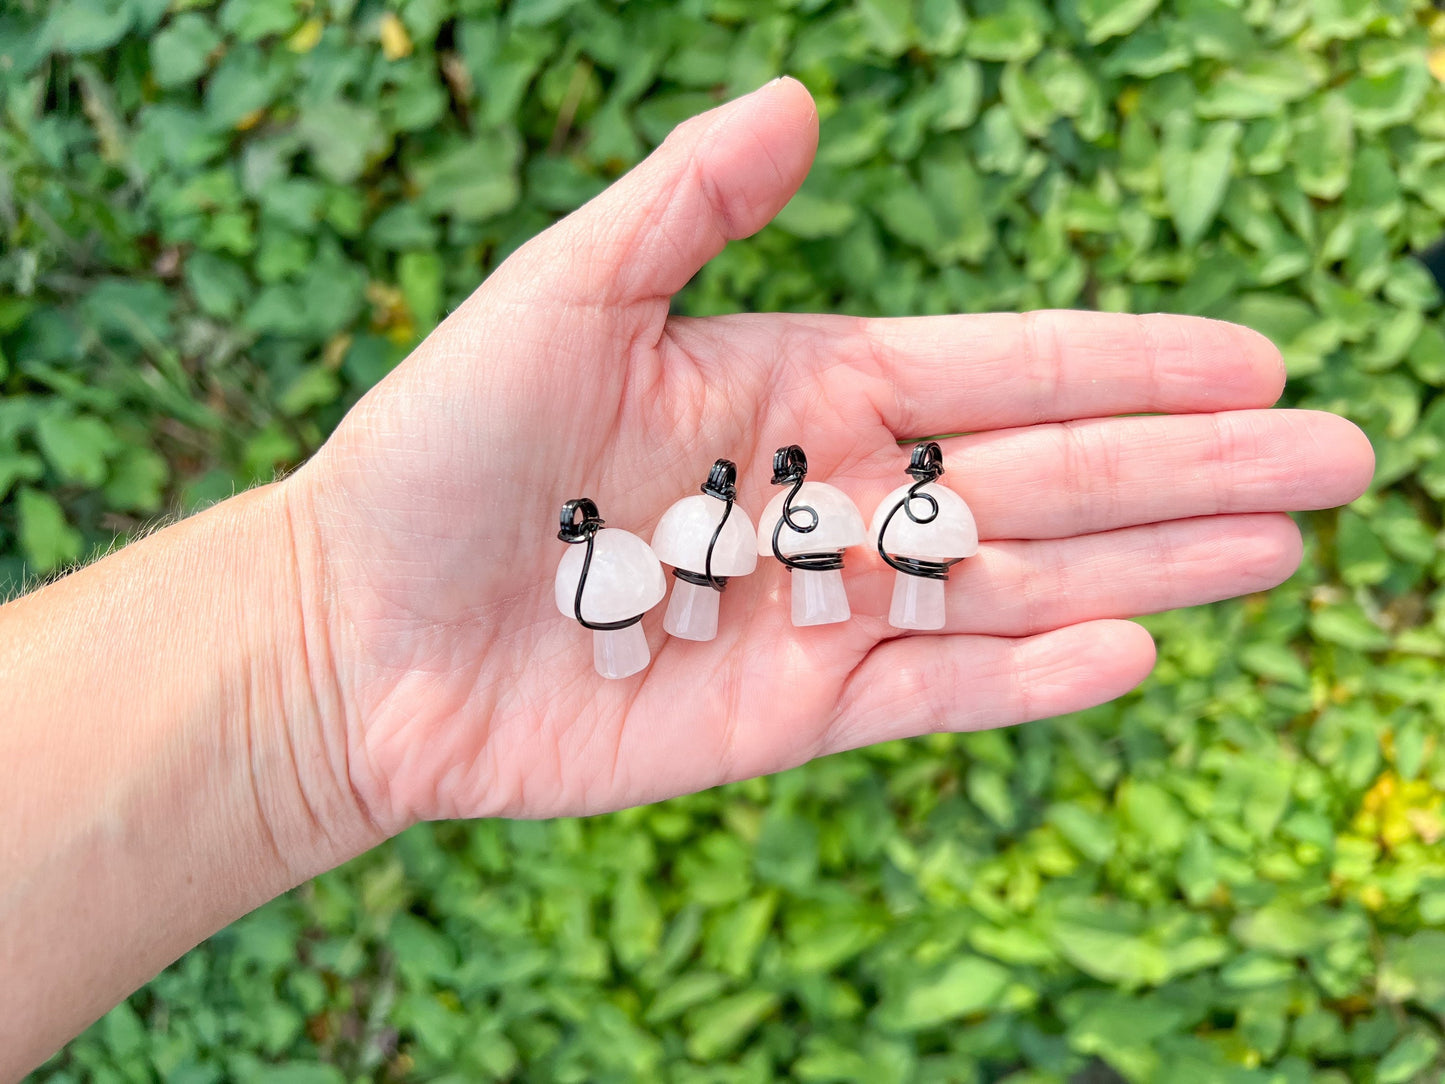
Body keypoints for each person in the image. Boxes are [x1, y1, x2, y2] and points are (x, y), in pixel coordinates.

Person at [0, 78, 1374, 1079]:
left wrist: (320, 654)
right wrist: (324, 636)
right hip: (696, 571)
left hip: (771, 557)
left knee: (798, 569)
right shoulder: (671, 547)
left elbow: (803, 539)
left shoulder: (791, 527)